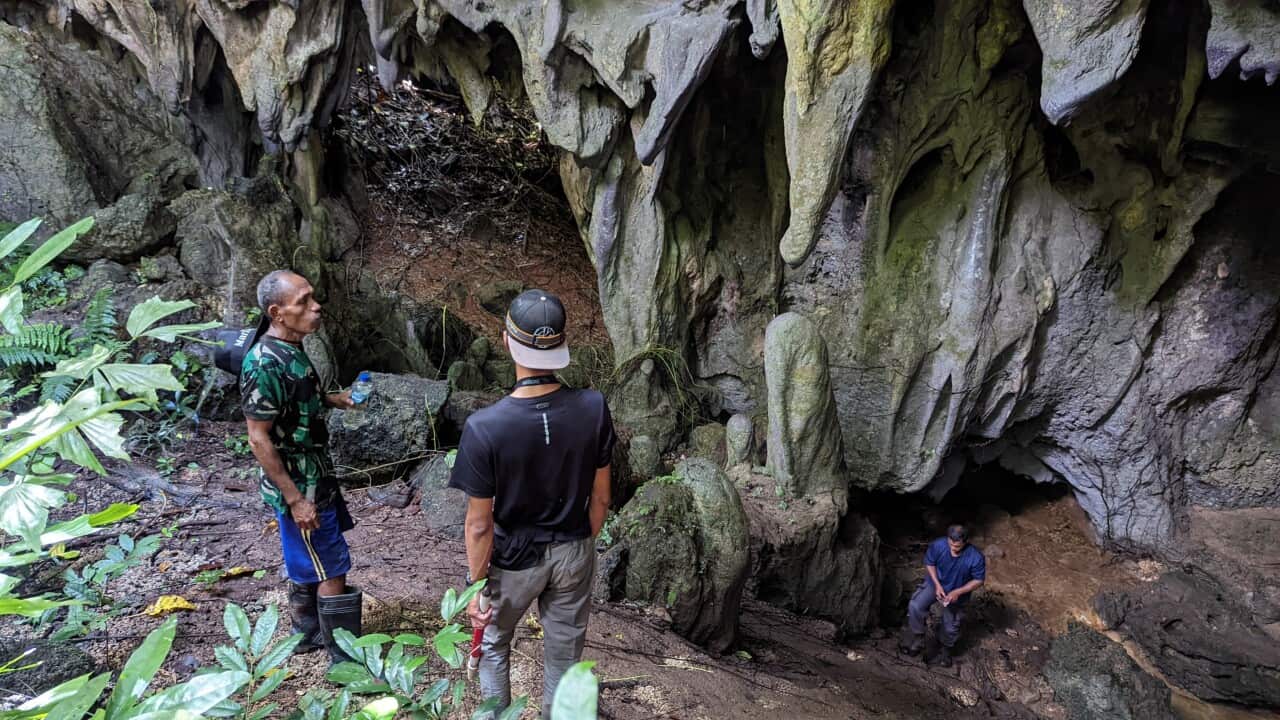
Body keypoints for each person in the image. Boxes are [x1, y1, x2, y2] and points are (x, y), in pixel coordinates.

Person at [449, 289, 615, 718]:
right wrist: (579, 542)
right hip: (574, 547)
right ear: (562, 344)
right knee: (565, 654)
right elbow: (601, 496)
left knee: (493, 643)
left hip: (513, 560)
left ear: (507, 342)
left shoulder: (485, 428)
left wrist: (475, 587)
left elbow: (479, 525)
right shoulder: (593, 407)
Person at [240, 269, 362, 664]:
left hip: (315, 472)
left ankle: (307, 634)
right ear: (277, 313)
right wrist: (295, 500)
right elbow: (258, 438)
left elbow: (295, 395)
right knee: (332, 564)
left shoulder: (291, 348)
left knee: (307, 555)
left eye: (313, 297)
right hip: (301, 483)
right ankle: (344, 661)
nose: (316, 306)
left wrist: (333, 399)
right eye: (303, 302)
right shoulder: (263, 364)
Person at [901, 524, 987, 667]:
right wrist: (937, 584)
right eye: (950, 544)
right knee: (916, 605)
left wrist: (958, 592)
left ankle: (945, 652)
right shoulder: (938, 545)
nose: (953, 548)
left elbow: (979, 580)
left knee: (950, 624)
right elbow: (930, 563)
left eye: (957, 546)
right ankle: (918, 639)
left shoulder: (975, 557)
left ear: (965, 542)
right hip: (936, 584)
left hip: (957, 591)